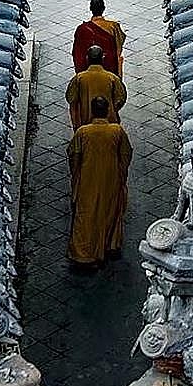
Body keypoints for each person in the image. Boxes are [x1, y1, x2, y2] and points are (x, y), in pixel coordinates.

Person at [67, 96, 133, 267]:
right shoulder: (117, 130)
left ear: (92, 110)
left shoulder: (83, 132)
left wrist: (76, 174)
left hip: (88, 178)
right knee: (109, 212)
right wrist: (120, 172)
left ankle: (84, 254)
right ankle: (108, 245)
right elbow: (126, 153)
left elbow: (73, 155)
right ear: (107, 110)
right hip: (111, 178)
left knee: (86, 215)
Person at [65, 45, 127, 131]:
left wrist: (76, 123)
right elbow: (121, 98)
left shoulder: (79, 78)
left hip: (86, 121)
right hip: (109, 122)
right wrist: (111, 109)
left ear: (87, 59)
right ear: (102, 59)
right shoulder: (112, 78)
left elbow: (71, 99)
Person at [72, 0, 126, 76]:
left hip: (87, 69)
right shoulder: (113, 27)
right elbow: (119, 44)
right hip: (109, 68)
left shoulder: (82, 29)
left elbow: (77, 52)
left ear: (90, 8)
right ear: (103, 8)